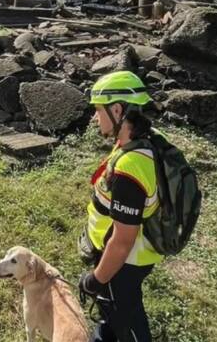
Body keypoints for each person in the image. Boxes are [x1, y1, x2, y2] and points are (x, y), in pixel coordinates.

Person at [78, 71, 163, 342]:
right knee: (113, 315)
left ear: (117, 109)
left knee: (128, 320)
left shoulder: (130, 167)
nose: (94, 118)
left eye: (98, 111)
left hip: (122, 263)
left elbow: (123, 241)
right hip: (126, 257)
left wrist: (96, 278)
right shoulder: (141, 141)